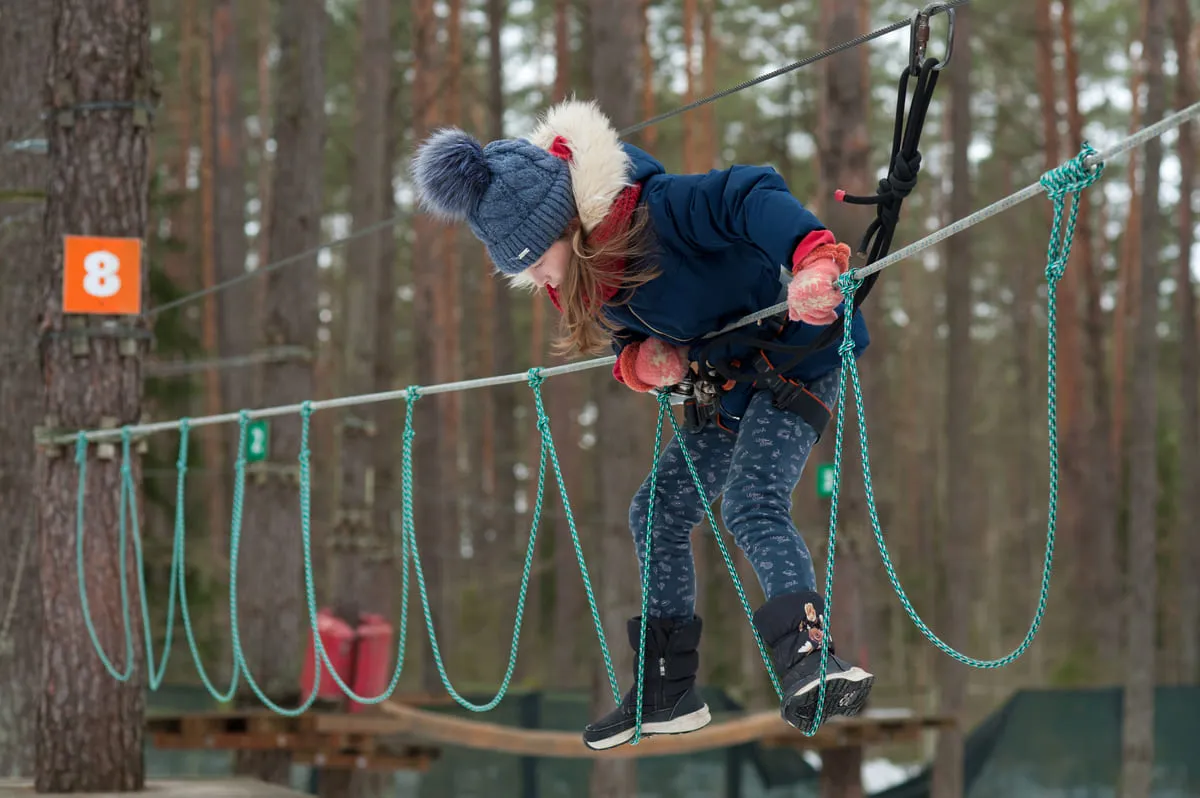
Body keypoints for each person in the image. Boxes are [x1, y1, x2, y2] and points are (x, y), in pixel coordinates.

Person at [409, 98, 874, 751]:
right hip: (730, 385)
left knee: (751, 503)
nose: (534, 274)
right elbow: (629, 344)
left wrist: (813, 258)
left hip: (799, 355)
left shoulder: (663, 213)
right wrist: (640, 362)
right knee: (655, 510)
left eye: (533, 257)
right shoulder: (596, 282)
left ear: (563, 222)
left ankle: (812, 659)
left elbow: (750, 194)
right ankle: (667, 689)